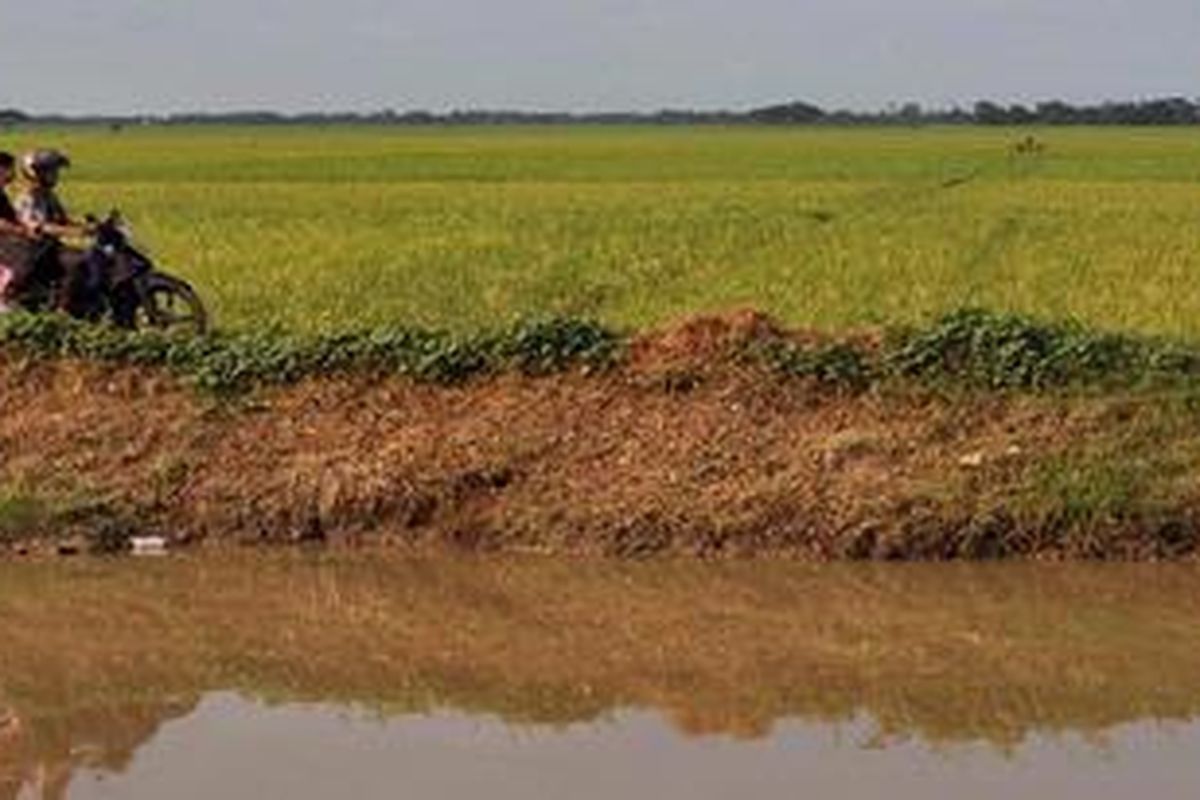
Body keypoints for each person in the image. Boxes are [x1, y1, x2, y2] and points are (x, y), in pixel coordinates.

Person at [11, 149, 95, 312]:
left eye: (55, 170)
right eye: (51, 171)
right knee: (77, 263)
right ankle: (63, 311)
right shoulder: (28, 197)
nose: (56, 175)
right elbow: (40, 226)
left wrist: (89, 227)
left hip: (50, 247)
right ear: (35, 173)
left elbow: (63, 220)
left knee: (93, 258)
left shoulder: (48, 195)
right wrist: (72, 232)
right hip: (34, 252)